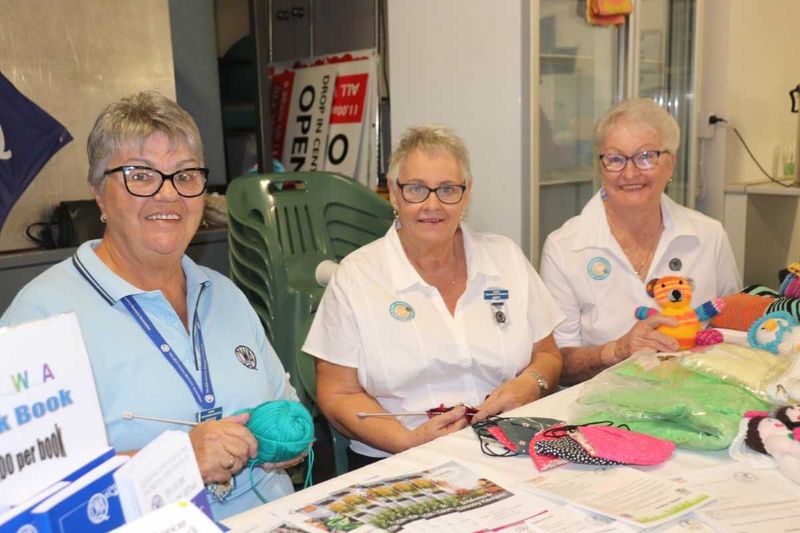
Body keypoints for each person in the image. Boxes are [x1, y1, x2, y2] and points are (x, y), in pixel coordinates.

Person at [0, 91, 303, 519]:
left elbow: (287, 412)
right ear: (98, 194)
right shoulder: (42, 317)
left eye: (185, 175)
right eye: (140, 175)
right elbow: (22, 495)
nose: (168, 195)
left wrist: (285, 445)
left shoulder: (225, 294)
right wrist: (177, 463)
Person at [303, 125, 564, 469]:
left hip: (508, 447)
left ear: (467, 194)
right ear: (394, 194)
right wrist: (408, 441)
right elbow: (337, 394)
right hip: (396, 460)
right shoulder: (357, 277)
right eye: (416, 189)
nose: (432, 204)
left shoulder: (506, 258)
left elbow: (548, 355)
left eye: (447, 189)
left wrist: (530, 384)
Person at [540, 97, 741, 385]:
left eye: (646, 156)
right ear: (600, 167)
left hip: (696, 394)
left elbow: (734, 329)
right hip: (602, 402)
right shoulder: (563, 247)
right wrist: (617, 351)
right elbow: (558, 363)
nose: (630, 173)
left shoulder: (709, 236)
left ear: (670, 165)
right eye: (615, 159)